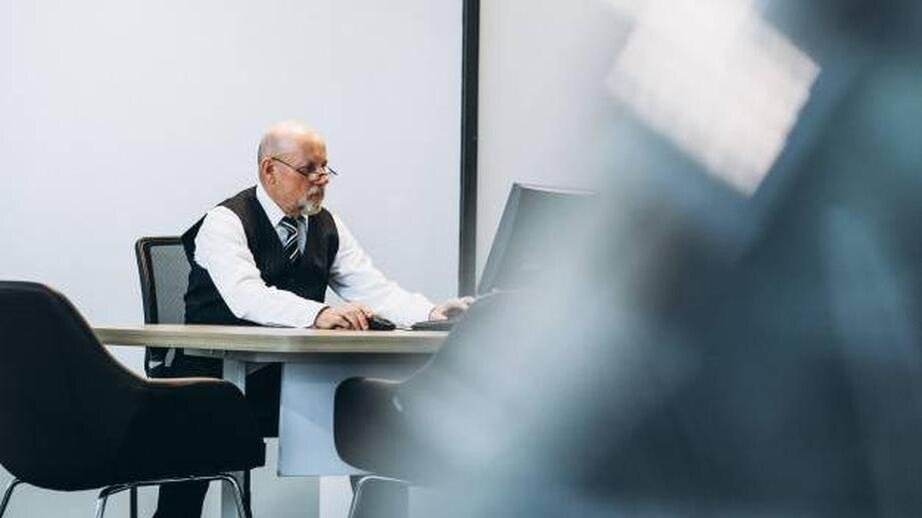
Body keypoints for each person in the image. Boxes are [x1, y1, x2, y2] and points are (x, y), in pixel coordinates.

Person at [149, 120, 471, 518]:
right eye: (309, 169)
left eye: (325, 168)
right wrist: (319, 312)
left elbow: (373, 289)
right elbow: (247, 297)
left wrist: (431, 312)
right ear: (270, 169)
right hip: (210, 379)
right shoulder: (225, 221)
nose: (321, 179)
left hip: (278, 379)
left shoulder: (325, 224)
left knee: (371, 411)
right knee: (194, 440)